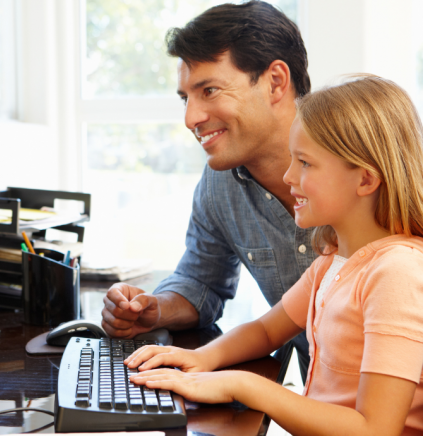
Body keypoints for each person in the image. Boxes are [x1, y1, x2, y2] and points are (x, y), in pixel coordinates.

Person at [126, 75, 423, 435]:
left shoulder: (396, 273)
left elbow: (374, 430)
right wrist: (201, 358)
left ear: (364, 180)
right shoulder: (331, 261)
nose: (288, 175)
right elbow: (268, 331)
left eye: (305, 163)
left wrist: (244, 385)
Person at [102, 1, 313, 377]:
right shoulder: (220, 184)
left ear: (275, 82)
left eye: (210, 90)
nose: (190, 118)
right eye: (186, 98)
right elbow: (202, 281)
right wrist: (154, 309)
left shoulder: (368, 167)